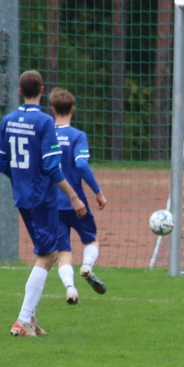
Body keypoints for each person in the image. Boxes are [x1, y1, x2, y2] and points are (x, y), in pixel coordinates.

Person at [0, 71, 87, 337]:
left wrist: (21, 180)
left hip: (22, 197)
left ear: (20, 91)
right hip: (43, 199)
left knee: (47, 254)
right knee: (47, 256)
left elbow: (1, 163)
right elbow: (52, 167)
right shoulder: (45, 122)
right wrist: (73, 196)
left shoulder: (7, 120)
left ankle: (31, 317)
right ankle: (23, 320)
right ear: (42, 90)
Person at [49, 88, 108, 296]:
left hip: (52, 203)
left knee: (63, 251)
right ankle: (87, 266)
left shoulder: (45, 136)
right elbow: (81, 164)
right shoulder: (77, 136)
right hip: (77, 203)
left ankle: (70, 288)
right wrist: (98, 192)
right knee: (91, 240)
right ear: (72, 110)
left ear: (53, 110)